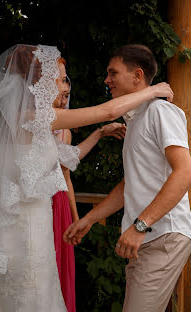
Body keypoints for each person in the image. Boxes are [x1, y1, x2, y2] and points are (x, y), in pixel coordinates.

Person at [0, 44, 173, 312]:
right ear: (42, 83)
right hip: (23, 230)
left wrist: (99, 134)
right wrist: (154, 90)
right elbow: (105, 110)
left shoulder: (39, 126)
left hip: (39, 225)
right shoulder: (34, 117)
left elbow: (66, 159)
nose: (64, 86)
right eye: (60, 79)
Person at [64, 44, 191, 312]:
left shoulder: (160, 111)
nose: (106, 80)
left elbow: (185, 174)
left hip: (162, 234)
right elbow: (130, 185)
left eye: (113, 73)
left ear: (137, 76)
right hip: (146, 236)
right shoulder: (135, 121)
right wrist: (88, 219)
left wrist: (139, 226)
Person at [51, 78, 126, 312]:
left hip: (59, 203)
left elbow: (66, 176)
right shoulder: (31, 119)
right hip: (36, 203)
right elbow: (108, 110)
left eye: (67, 96)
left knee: (58, 266)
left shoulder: (64, 132)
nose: (64, 101)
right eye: (60, 94)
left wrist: (76, 219)